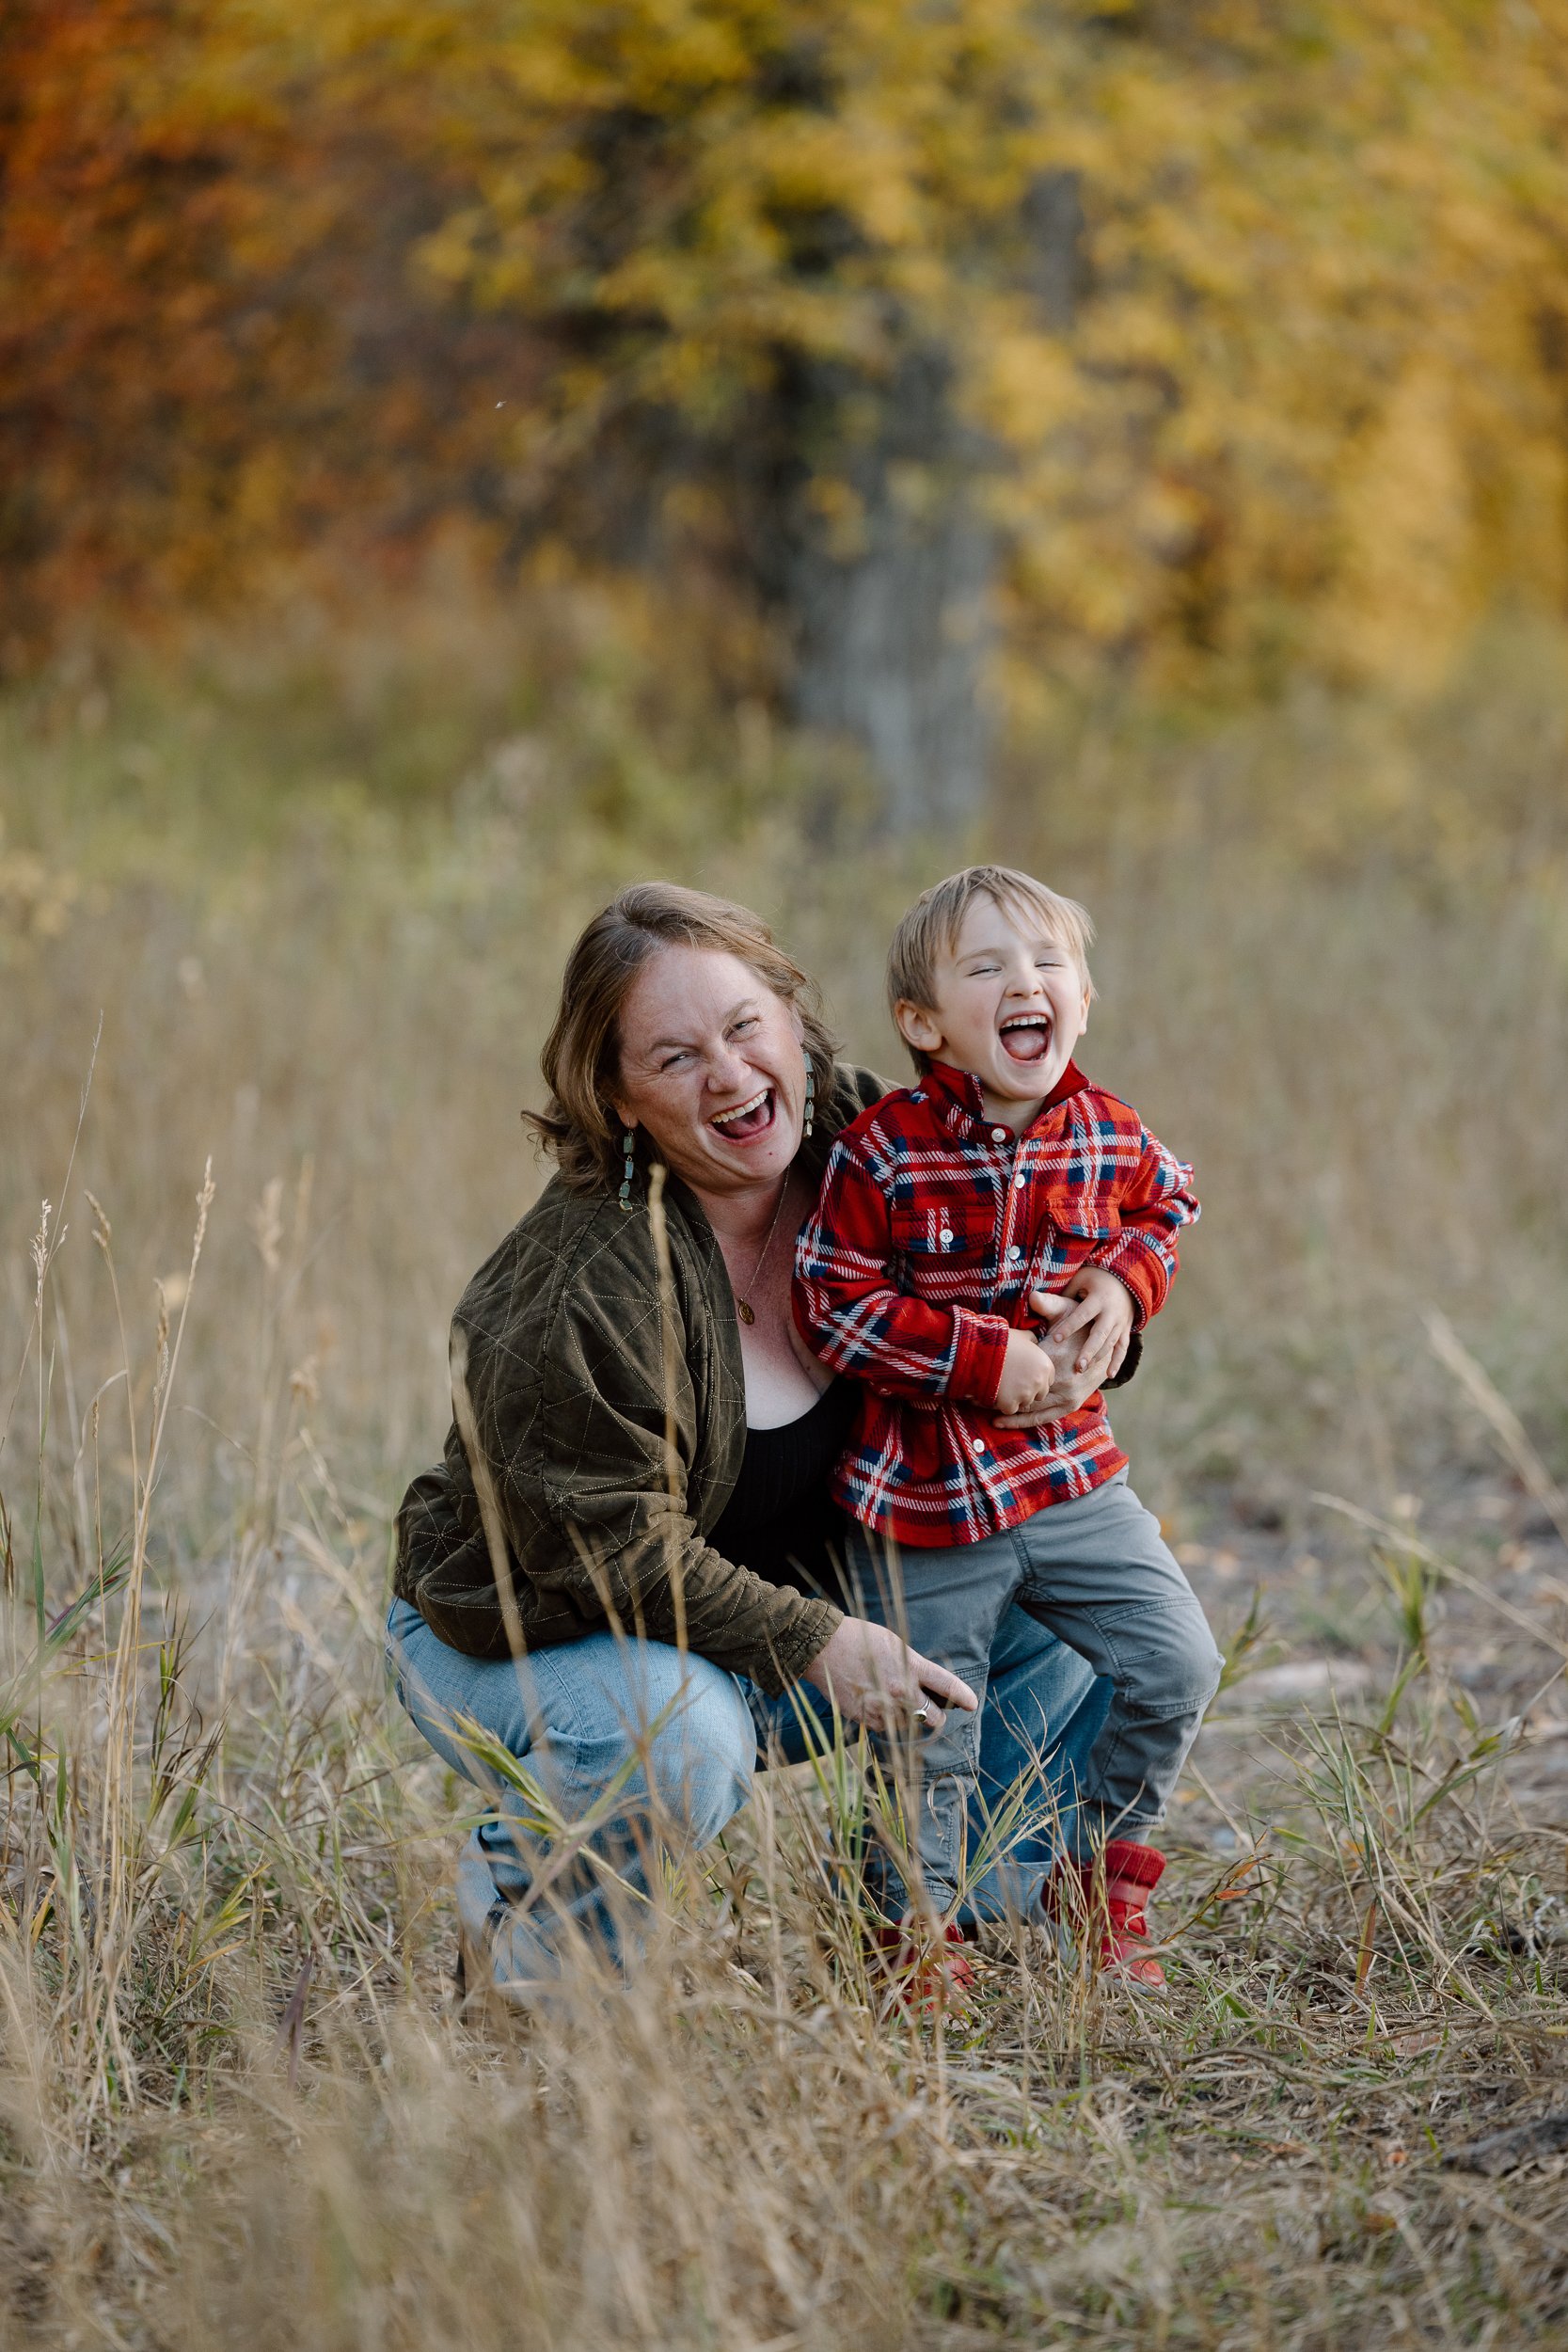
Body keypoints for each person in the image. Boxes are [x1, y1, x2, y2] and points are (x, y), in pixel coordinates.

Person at [388, 882, 1133, 2003]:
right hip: (541, 1633)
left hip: (775, 1627)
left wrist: (1110, 1302)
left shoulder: (878, 1146)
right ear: (616, 1097)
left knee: (1066, 1583)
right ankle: (526, 1964)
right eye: (675, 1057)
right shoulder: (579, 1285)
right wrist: (815, 1640)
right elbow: (609, 1556)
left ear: (791, 1016)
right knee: (677, 1733)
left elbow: (1054, 1228)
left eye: (745, 1027)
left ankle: (924, 1915)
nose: (731, 1076)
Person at [793, 865, 1223, 1986]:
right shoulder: (883, 1150)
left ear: (1082, 997)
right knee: (930, 1732)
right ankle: (911, 1935)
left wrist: (1124, 1286)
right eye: (985, 968)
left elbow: (1167, 1205)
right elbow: (832, 1300)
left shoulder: (1106, 1132)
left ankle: (1096, 1878)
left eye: (1047, 963)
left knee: (1174, 1661)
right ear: (922, 1023)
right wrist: (982, 1357)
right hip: (925, 1498)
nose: (1024, 983)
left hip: (1069, 1477)